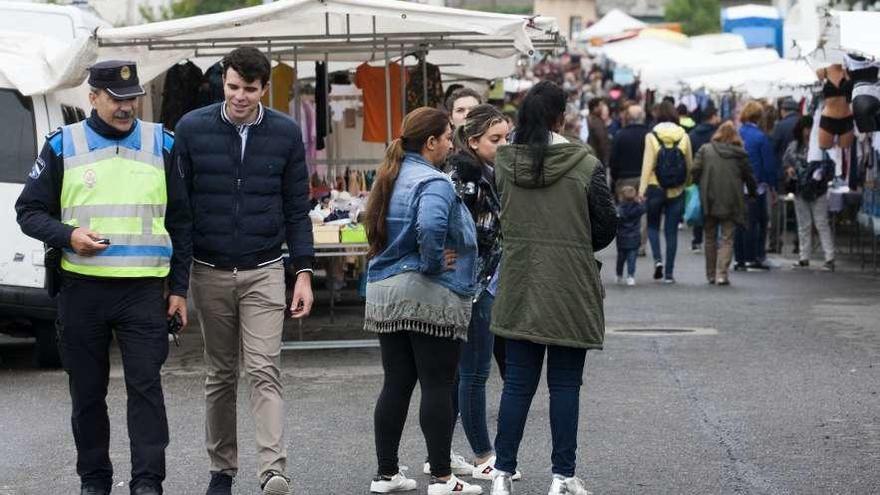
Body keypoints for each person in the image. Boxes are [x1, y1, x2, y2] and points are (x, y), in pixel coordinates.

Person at [15, 60, 189, 495]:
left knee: (146, 391)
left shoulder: (161, 143)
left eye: (133, 99)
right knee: (87, 395)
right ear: (92, 97)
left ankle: (147, 483)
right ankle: (95, 482)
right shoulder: (62, 145)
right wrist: (68, 235)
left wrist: (180, 290)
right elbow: (28, 212)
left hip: (144, 292)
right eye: (116, 99)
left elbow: (184, 222)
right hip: (82, 290)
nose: (126, 107)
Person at [173, 47, 315, 495]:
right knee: (219, 373)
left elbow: (297, 208)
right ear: (223, 80)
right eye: (232, 86)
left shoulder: (285, 133)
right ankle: (222, 468)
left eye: (248, 90)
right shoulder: (191, 128)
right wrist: (176, 284)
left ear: (264, 89)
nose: (238, 96)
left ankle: (273, 469)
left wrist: (304, 272)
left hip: (265, 269)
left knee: (263, 368)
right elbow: (180, 211)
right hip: (209, 270)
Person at [489, 81, 617, 495]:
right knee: (564, 385)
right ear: (561, 117)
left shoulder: (503, 163)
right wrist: (577, 242)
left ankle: (503, 473)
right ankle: (563, 476)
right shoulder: (584, 164)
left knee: (517, 385)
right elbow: (606, 225)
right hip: (569, 285)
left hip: (520, 279)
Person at [363, 107, 482, 495]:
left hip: (385, 290)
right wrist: (430, 263)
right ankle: (444, 478)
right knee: (438, 383)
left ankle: (386, 474)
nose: (452, 143)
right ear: (431, 142)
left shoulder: (389, 175)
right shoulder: (434, 181)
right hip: (425, 291)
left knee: (396, 382)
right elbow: (430, 227)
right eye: (448, 136)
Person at [446, 104, 520, 481]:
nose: (504, 144)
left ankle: (442, 453)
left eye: (506, 136)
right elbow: (460, 230)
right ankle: (482, 455)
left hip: (485, 280)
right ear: (472, 141)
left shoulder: (488, 170)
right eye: (496, 139)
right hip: (472, 284)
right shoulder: (465, 173)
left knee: (465, 374)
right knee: (474, 372)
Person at [692, 122, 758, 286]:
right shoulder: (740, 154)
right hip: (732, 199)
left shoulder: (705, 149)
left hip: (709, 197)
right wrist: (752, 193)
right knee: (727, 238)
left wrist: (697, 183)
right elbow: (749, 176)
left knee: (710, 237)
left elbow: (694, 169)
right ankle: (722, 274)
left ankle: (710, 275)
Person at [639, 101, 694, 284]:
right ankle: (669, 273)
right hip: (676, 189)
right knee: (671, 232)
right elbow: (689, 164)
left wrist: (642, 190)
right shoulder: (684, 136)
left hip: (656, 187)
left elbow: (647, 165)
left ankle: (658, 261)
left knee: (653, 226)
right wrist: (686, 184)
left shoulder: (651, 136)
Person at [784, 116, 836, 271]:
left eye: (810, 129)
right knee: (804, 225)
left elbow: (830, 167)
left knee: (821, 223)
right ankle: (804, 257)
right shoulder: (794, 146)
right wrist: (789, 169)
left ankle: (829, 258)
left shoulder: (822, 146)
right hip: (800, 189)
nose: (808, 132)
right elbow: (786, 162)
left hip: (817, 190)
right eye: (806, 129)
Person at [736, 101, 777, 272]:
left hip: (737, 184)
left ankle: (739, 258)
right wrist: (773, 186)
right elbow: (768, 165)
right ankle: (754, 257)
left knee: (740, 223)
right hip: (756, 185)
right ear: (759, 117)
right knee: (757, 221)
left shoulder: (737, 134)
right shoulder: (761, 137)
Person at [687, 103, 721, 252]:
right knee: (714, 207)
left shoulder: (693, 134)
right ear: (712, 117)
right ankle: (712, 238)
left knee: (699, 205)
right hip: (715, 174)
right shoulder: (717, 134)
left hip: (699, 175)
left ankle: (697, 239)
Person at [769, 97, 801, 253]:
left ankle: (775, 243)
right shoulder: (803, 124)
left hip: (781, 173)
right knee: (799, 208)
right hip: (801, 173)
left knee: (778, 209)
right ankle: (799, 244)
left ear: (783, 111)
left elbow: (773, 149)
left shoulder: (780, 126)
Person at [816, 64, 855, 150]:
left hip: (846, 118)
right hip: (828, 119)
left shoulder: (850, 70)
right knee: (823, 150)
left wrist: (847, 76)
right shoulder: (823, 71)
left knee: (845, 153)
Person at [615, 185, 645, 286]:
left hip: (621, 237)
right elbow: (644, 208)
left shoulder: (619, 209)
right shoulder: (638, 208)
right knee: (632, 259)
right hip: (635, 237)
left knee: (621, 258)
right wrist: (640, 201)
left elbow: (615, 220)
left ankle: (619, 274)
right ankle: (630, 276)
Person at [586, 97, 611, 167]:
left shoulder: (589, 119)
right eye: (601, 106)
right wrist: (606, 159)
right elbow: (602, 141)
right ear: (595, 108)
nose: (602, 108)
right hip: (598, 159)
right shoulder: (596, 122)